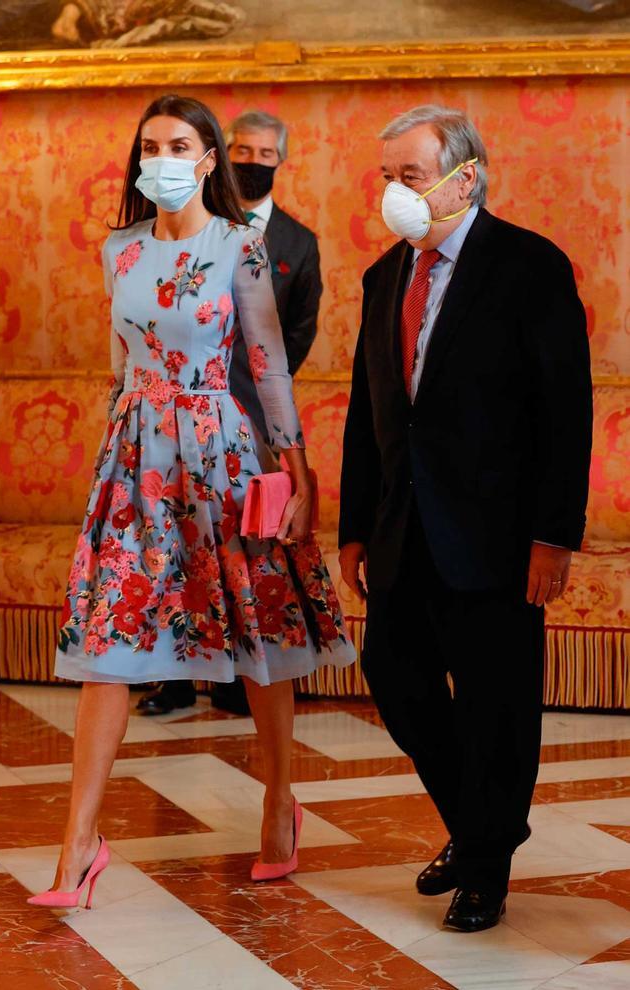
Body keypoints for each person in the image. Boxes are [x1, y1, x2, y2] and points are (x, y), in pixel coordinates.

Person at [28, 93, 355, 909]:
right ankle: (79, 848)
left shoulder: (241, 244)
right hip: (136, 459)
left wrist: (300, 472)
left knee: (261, 632)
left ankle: (280, 802)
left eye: (179, 143)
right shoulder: (120, 249)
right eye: (151, 144)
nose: (162, 158)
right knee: (108, 637)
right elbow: (119, 359)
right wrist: (123, 443)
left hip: (224, 451)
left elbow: (270, 365)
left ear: (210, 158)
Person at [339, 105, 592, 933]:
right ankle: (483, 829)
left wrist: (553, 536)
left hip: (499, 537)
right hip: (403, 529)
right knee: (397, 681)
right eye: (388, 177)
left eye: (409, 177)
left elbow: (565, 413)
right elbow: (368, 413)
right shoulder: (385, 277)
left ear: (464, 177)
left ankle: (484, 869)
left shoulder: (528, 267)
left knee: (497, 705)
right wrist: (353, 525)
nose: (394, 194)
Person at [139, 108, 323, 718]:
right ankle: (172, 677)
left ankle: (235, 683)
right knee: (167, 564)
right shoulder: (128, 248)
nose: (253, 162)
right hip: (155, 432)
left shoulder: (288, 242)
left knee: (242, 566)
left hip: (241, 423)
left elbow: (286, 343)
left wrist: (277, 437)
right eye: (243, 149)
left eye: (265, 155)